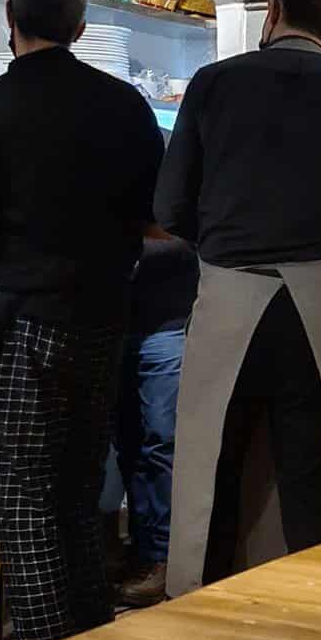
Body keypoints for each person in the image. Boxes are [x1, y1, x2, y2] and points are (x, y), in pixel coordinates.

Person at [0, 0, 164, 640]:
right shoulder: (125, 107)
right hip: (103, 326)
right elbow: (157, 221)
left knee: (25, 502)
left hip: (30, 325)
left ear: (10, 18)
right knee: (78, 495)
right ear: (82, 26)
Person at [154, 0, 321, 597]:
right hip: (317, 307)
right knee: (318, 486)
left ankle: (195, 621)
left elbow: (169, 208)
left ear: (273, 11)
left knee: (210, 476)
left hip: (227, 297)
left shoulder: (211, 85)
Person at [111, 233, 199, 606]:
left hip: (168, 325)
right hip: (113, 327)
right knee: (127, 446)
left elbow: (187, 242)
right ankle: (141, 552)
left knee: (162, 443)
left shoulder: (170, 180)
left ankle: (164, 558)